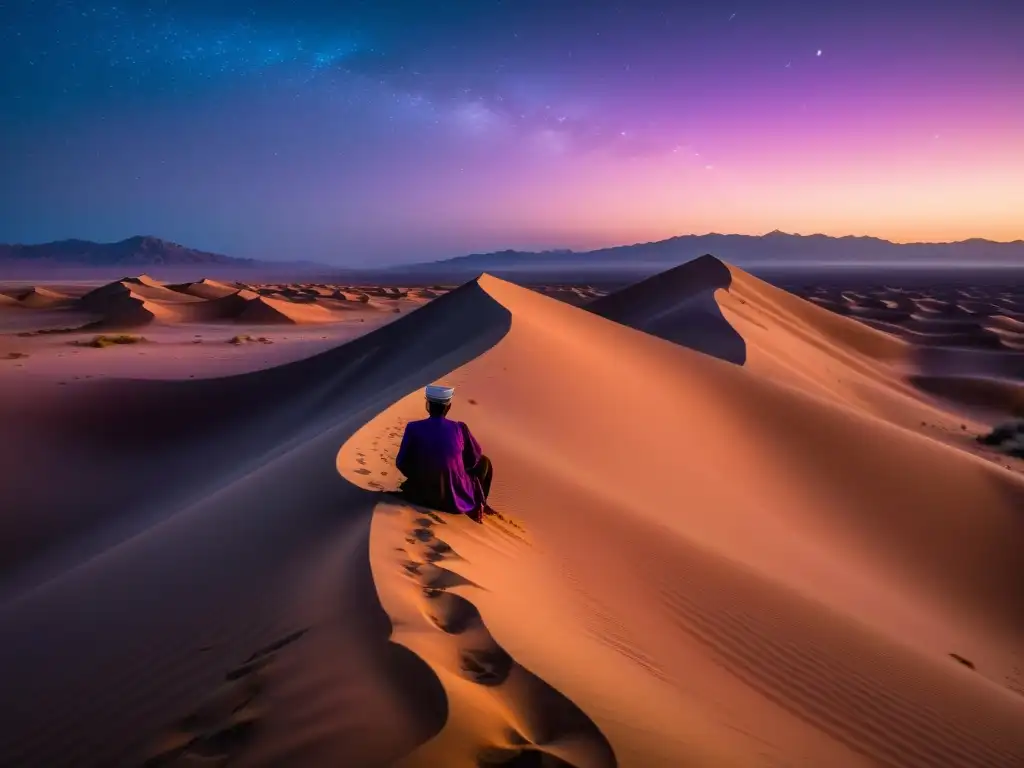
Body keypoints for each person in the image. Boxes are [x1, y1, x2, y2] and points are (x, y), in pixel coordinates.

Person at [395, 384, 493, 522]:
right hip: (454, 499)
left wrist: (420, 474)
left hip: (419, 491)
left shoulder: (413, 427)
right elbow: (474, 459)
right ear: (448, 407)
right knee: (485, 462)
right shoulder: (460, 428)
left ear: (427, 405)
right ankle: (480, 505)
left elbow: (401, 462)